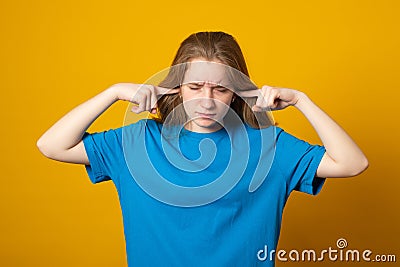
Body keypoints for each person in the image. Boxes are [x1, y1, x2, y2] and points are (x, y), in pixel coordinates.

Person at [37, 31, 368, 266]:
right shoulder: (138, 141)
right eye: (195, 87)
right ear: (177, 87)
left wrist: (301, 101)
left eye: (220, 90)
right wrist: (112, 93)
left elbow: (352, 163)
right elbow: (51, 144)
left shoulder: (269, 147)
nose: (206, 101)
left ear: (237, 93)